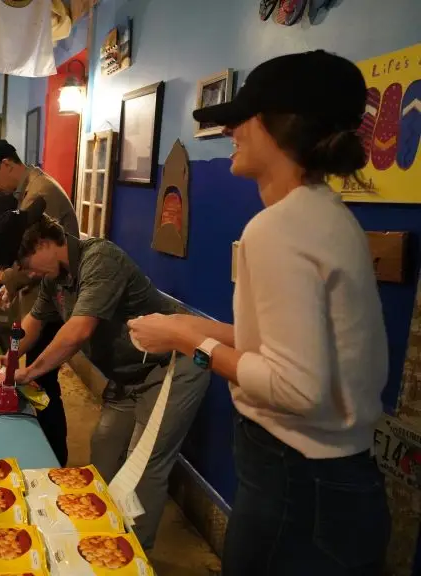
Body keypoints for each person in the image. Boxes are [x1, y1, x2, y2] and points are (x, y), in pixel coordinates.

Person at [128, 50, 390, 575]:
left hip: (296, 486)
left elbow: (294, 388)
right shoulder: (326, 215)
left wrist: (190, 343)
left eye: (241, 119)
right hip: (336, 484)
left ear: (281, 125)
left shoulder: (277, 228)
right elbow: (292, 347)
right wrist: (192, 326)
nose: (231, 133)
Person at [0, 199, 210, 549]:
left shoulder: (100, 259)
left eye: (25, 264)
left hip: (171, 369)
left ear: (43, 244)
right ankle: (97, 541)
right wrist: (8, 359)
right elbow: (34, 323)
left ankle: (134, 556)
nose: (27, 273)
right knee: (103, 450)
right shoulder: (53, 276)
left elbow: (77, 332)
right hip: (126, 378)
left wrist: (27, 373)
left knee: (143, 468)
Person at [0, 140, 80, 466]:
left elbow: (37, 256)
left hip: (57, 302)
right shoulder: (27, 192)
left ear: (6, 164)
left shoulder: (41, 194)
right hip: (43, 297)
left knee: (44, 383)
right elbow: (32, 262)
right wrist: (13, 285)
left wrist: (3, 277)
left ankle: (53, 461)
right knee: (34, 377)